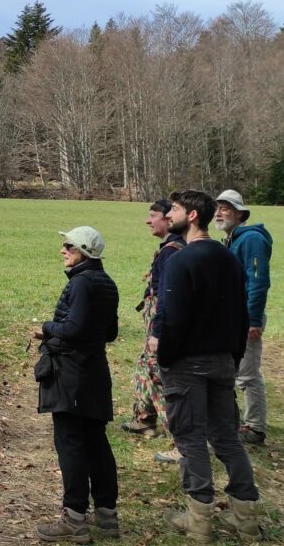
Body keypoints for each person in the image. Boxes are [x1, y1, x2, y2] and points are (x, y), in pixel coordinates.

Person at [155, 189, 260, 542]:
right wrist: (232, 357)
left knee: (190, 439)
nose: (168, 215)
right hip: (222, 362)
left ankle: (200, 521)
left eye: (174, 210)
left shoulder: (181, 261)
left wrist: (165, 357)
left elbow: (172, 318)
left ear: (193, 216)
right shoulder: (228, 258)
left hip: (187, 363)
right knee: (227, 437)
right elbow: (242, 314)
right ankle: (245, 517)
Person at [34, 226, 120, 543]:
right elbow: (109, 333)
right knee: (97, 443)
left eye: (68, 245)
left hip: (72, 373)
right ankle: (107, 516)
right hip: (96, 370)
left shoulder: (82, 283)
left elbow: (74, 327)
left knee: (70, 444)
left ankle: (74, 519)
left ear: (82, 251)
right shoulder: (107, 282)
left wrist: (45, 327)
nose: (62, 250)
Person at [122, 199, 184, 444]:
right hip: (156, 322)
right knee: (144, 366)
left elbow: (167, 296)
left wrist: (158, 332)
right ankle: (145, 418)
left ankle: (179, 436)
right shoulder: (170, 248)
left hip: (161, 323)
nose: (148, 221)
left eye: (152, 215)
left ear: (168, 218)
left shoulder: (173, 251)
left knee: (156, 370)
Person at [215, 189, 273, 446]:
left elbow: (259, 281)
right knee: (236, 371)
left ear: (240, 214)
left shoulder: (251, 240)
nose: (219, 213)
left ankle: (256, 428)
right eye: (217, 208)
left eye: (225, 208)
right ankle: (242, 422)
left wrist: (254, 319)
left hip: (246, 318)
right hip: (233, 318)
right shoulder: (232, 239)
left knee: (248, 374)